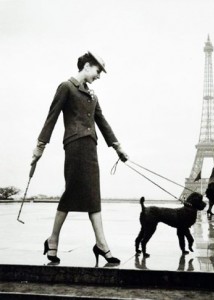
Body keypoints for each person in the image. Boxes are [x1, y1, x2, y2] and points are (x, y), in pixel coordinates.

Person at [31, 51, 129, 265]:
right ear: (87, 65)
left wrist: (117, 147)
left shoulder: (93, 95)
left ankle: (101, 244)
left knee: (93, 194)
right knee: (72, 191)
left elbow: (102, 122)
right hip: (74, 146)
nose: (99, 76)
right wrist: (40, 146)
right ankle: (53, 239)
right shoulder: (66, 87)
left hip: (90, 148)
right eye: (98, 71)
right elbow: (52, 117)